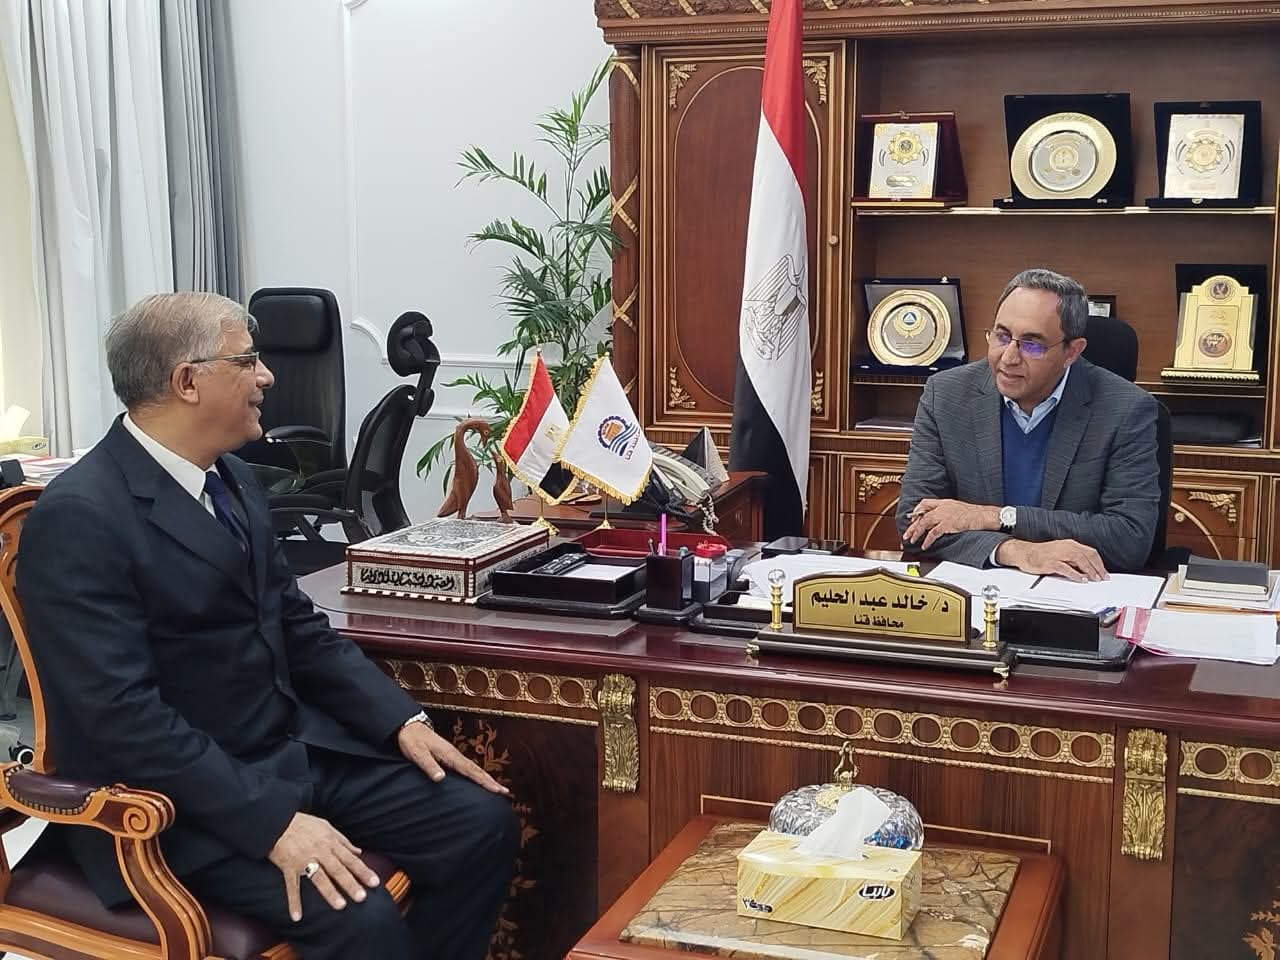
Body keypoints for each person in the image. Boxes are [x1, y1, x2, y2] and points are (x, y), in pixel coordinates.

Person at [16, 293, 519, 960]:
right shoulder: (81, 515)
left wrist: (401, 720)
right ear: (187, 381)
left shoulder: (232, 477)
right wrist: (271, 823)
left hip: (285, 752)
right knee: (357, 912)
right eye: (247, 360)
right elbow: (123, 717)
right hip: (169, 801)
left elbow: (296, 625)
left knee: (479, 824)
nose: (267, 376)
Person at [896, 268, 1159, 580]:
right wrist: (1016, 552)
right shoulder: (946, 395)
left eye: (1032, 345)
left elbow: (1129, 539)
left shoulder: (1125, 409)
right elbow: (915, 523)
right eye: (1001, 336)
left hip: (1074, 592)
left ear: (1072, 352)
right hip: (978, 587)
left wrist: (996, 517)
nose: (1008, 357)